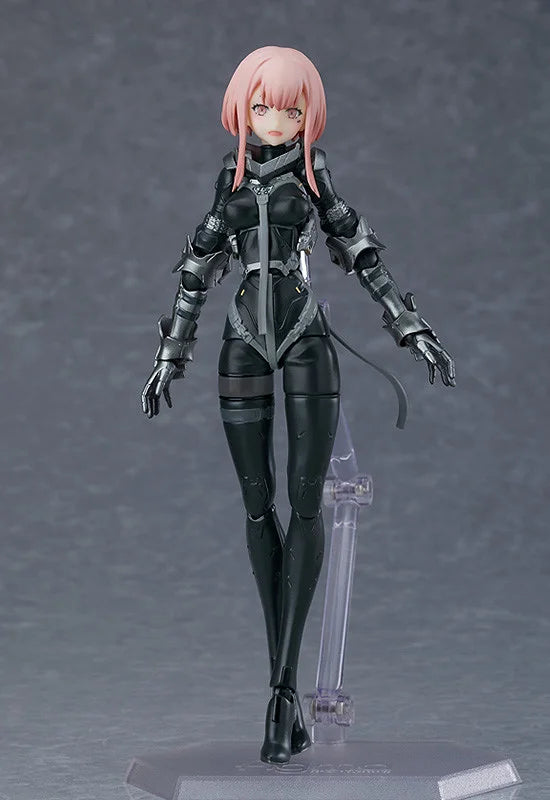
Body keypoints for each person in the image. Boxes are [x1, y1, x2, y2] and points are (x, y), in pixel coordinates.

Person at [141, 46, 455, 764]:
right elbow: (196, 269)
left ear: (308, 112)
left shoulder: (314, 176)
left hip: (307, 337)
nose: (276, 119)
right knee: (259, 508)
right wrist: (168, 358)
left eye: (290, 107)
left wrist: (412, 328)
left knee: (308, 504)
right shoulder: (228, 176)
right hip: (243, 340)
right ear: (241, 109)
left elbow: (360, 251)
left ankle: (282, 696)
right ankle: (281, 691)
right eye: (262, 106)